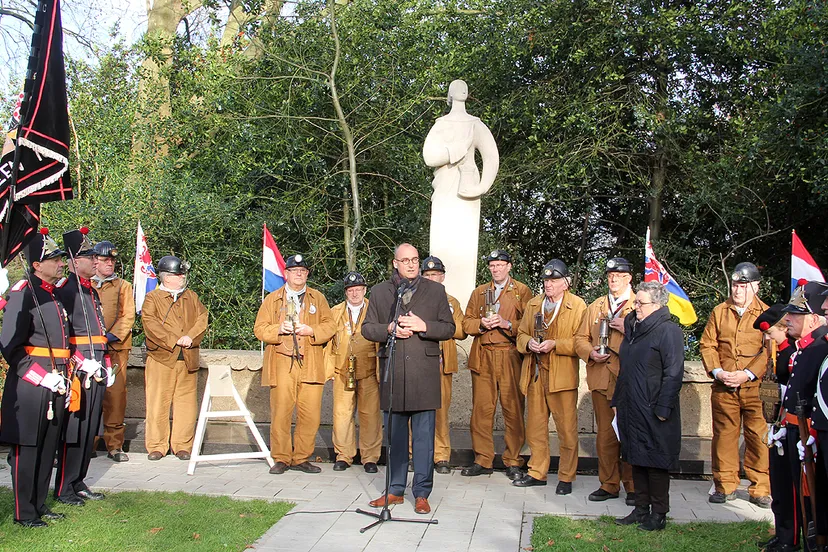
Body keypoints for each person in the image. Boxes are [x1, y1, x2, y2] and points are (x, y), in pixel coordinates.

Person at [361, 243, 455, 515]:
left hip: (424, 376)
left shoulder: (435, 291)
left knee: (424, 439)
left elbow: (449, 328)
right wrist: (389, 328)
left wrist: (423, 326)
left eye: (415, 259)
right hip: (394, 375)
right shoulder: (380, 292)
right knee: (396, 438)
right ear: (395, 263)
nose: (412, 265)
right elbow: (368, 329)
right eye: (406, 260)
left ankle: (422, 492)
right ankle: (394, 490)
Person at [0, 230, 71, 527]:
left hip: (56, 380)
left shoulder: (51, 294)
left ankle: (39, 504)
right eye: (53, 260)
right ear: (37, 265)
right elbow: (10, 345)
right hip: (31, 385)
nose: (60, 264)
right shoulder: (23, 292)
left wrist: (64, 379)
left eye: (59, 259)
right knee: (28, 450)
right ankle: (24, 512)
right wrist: (41, 378)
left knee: (46, 446)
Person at [255, 254, 335, 474]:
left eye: (303, 271)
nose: (299, 274)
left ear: (307, 274)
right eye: (294, 270)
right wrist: (278, 329)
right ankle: (281, 457)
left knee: (310, 414)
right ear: (286, 274)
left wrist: (313, 331)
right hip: (282, 362)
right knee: (281, 412)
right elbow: (259, 329)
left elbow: (330, 326)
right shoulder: (272, 299)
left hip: (311, 363)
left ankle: (301, 457)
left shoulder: (318, 298)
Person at [700, 262, 771, 507]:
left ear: (756, 286)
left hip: (755, 388)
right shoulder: (720, 311)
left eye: (743, 285)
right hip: (724, 386)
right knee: (724, 437)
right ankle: (724, 485)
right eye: (735, 285)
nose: (738, 290)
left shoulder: (766, 313)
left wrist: (748, 373)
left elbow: (770, 350)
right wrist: (718, 372)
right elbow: (707, 344)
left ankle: (760, 488)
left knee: (758, 437)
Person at [614, 281, 684, 532]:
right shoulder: (634, 329)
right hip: (631, 405)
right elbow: (626, 369)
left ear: (657, 305)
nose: (636, 306)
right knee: (636, 458)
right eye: (636, 302)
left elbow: (674, 372)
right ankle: (641, 509)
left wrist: (663, 408)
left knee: (656, 462)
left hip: (654, 408)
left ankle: (659, 513)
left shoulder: (668, 331)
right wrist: (617, 400)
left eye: (640, 303)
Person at [513, 260, 586, 494]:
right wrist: (529, 343)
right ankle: (537, 471)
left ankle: (566, 476)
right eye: (546, 280)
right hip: (535, 373)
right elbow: (521, 334)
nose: (549, 285)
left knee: (566, 429)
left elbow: (582, 341)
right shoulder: (534, 303)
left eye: (554, 280)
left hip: (561, 376)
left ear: (566, 283)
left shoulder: (578, 305)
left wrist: (556, 344)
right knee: (535, 427)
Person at [462, 249, 531, 479]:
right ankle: (483, 459)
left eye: (500, 265)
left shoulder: (522, 291)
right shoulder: (480, 292)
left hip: (510, 354)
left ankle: (513, 460)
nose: (496, 269)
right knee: (481, 410)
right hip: (483, 354)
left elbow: (529, 325)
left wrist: (507, 323)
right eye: (492, 265)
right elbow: (465, 323)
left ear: (509, 266)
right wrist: (480, 324)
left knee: (513, 409)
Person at [54, 227, 110, 505]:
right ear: (76, 261)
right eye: (90, 257)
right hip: (80, 367)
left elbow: (99, 330)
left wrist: (106, 362)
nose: (96, 261)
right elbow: (63, 333)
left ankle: (78, 480)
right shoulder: (65, 290)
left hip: (97, 364)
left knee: (90, 429)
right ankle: (64, 486)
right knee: (74, 429)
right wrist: (80, 360)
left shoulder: (92, 291)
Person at [574, 257, 636, 504]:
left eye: (619, 276)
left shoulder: (639, 304)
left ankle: (633, 486)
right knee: (605, 435)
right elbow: (580, 337)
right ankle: (609, 484)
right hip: (600, 378)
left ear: (629, 278)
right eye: (610, 275)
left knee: (630, 434)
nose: (613, 279)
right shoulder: (597, 305)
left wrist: (628, 328)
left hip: (628, 379)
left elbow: (654, 337)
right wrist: (589, 352)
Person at [775, 280, 828, 552]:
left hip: (811, 431)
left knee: (810, 496)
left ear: (814, 318)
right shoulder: (806, 346)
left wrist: (813, 434)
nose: (788, 319)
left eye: (795, 314)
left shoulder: (820, 346)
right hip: (797, 427)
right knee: (792, 491)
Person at [141, 255, 208, 461]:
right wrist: (175, 339)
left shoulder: (191, 296)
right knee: (157, 402)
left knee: (186, 404)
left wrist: (191, 337)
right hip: (162, 358)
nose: (182, 278)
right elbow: (150, 323)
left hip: (187, 358)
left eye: (182, 274)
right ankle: (156, 446)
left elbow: (202, 318)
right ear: (167, 277)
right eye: (178, 275)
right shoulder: (153, 298)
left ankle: (182, 445)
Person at [325, 271, 381, 473]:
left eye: (358, 289)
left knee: (370, 415)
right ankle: (344, 455)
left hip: (369, 370)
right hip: (342, 370)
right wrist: (328, 369)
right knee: (341, 414)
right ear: (345, 292)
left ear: (365, 290)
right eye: (351, 290)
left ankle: (370, 457)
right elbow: (328, 342)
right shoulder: (335, 312)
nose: (355, 293)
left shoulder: (374, 310)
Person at [756, 304, 800, 552]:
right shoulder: (779, 353)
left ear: (783, 329)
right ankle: (781, 531)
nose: (767, 338)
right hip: (778, 424)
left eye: (771, 333)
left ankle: (790, 537)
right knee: (778, 483)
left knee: (788, 485)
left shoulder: (793, 353)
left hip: (790, 424)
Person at [421, 255, 467, 474]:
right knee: (416, 411)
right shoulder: (414, 298)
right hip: (419, 364)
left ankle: (441, 456)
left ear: (442, 277)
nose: (431, 278)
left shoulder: (451, 302)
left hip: (441, 363)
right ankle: (415, 454)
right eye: (427, 275)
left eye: (435, 275)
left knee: (441, 412)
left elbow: (461, 330)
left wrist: (443, 321)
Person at [92, 240, 135, 462]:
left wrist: (111, 336)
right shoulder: (84, 284)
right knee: (88, 397)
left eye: (113, 260)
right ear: (94, 261)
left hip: (115, 349)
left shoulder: (122, 285)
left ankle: (114, 445)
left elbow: (128, 315)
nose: (110, 264)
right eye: (105, 260)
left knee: (115, 398)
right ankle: (86, 443)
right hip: (87, 350)